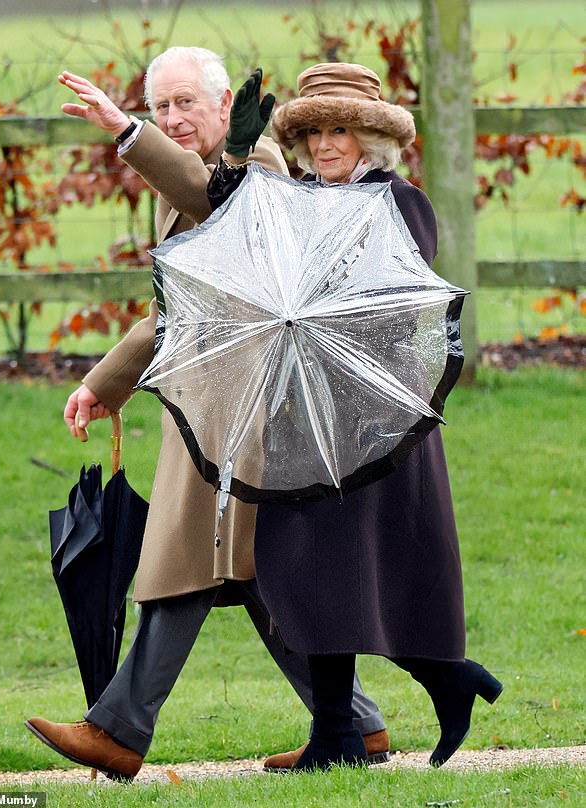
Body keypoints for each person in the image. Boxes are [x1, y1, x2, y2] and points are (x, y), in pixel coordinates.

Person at [24, 48, 388, 781]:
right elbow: (181, 306)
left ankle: (118, 731)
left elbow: (217, 207)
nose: (172, 118)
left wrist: (128, 134)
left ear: (227, 106)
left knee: (187, 559)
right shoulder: (191, 177)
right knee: (247, 571)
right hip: (214, 407)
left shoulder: (258, 163)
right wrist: (106, 384)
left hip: (255, 408)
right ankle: (354, 724)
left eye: (186, 103)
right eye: (160, 107)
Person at [206, 61, 503, 772]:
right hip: (301, 413)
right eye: (314, 133)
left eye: (342, 130)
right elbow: (234, 230)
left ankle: (425, 688)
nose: (327, 145)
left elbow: (403, 307)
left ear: (370, 137)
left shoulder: (398, 202)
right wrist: (238, 157)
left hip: (375, 418)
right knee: (307, 569)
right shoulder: (291, 198)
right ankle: (352, 725)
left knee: (362, 567)